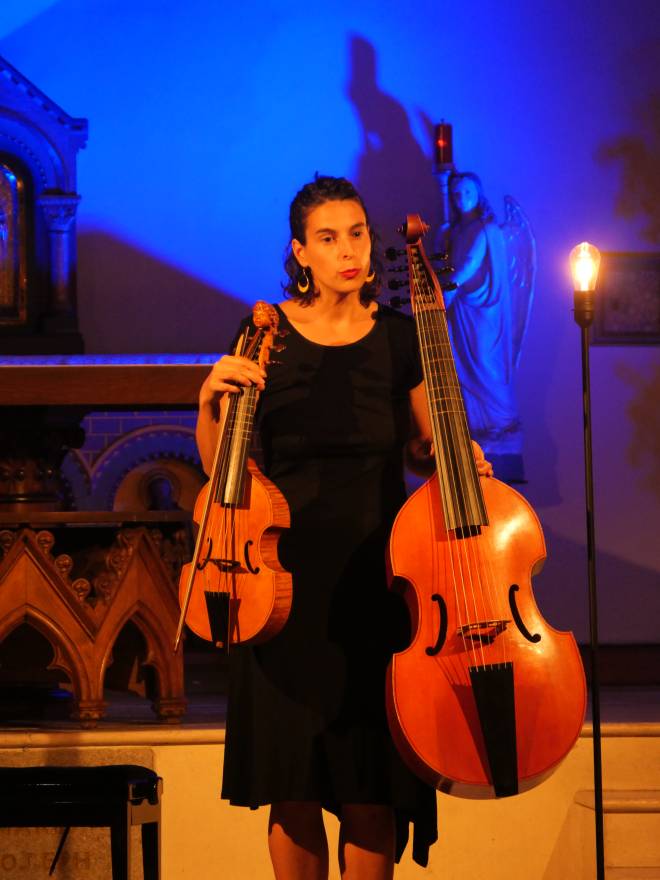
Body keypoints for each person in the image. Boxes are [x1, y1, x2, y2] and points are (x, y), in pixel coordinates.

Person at [196, 175, 492, 880]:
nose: (348, 250)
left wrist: (458, 456)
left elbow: (425, 445)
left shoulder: (398, 338)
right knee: (292, 792)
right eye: (328, 238)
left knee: (369, 791)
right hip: (277, 588)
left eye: (357, 233)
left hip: (375, 585)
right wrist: (208, 402)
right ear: (300, 252)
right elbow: (222, 476)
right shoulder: (263, 333)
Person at [445, 172, 522, 474]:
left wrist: (443, 288)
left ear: (478, 193)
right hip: (462, 307)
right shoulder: (457, 230)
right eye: (456, 194)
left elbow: (467, 267)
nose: (461, 198)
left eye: (466, 192)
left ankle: (502, 421)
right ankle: (478, 425)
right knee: (462, 366)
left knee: (485, 365)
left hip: (482, 310)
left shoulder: (485, 229)